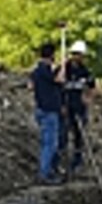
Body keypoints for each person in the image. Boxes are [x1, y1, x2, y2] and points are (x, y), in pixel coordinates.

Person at [29, 42, 66, 184]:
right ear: (51, 56)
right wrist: (61, 68)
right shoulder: (44, 70)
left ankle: (49, 171)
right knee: (50, 144)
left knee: (49, 142)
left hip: (42, 110)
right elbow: (59, 80)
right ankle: (44, 174)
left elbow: (32, 85)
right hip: (48, 112)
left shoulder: (37, 72)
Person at [60, 40, 97, 173]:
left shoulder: (84, 70)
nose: (78, 57)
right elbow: (58, 86)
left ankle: (77, 160)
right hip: (66, 105)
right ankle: (61, 161)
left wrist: (88, 98)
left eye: (80, 55)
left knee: (79, 134)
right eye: (76, 54)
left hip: (79, 105)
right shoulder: (65, 69)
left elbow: (92, 86)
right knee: (63, 134)